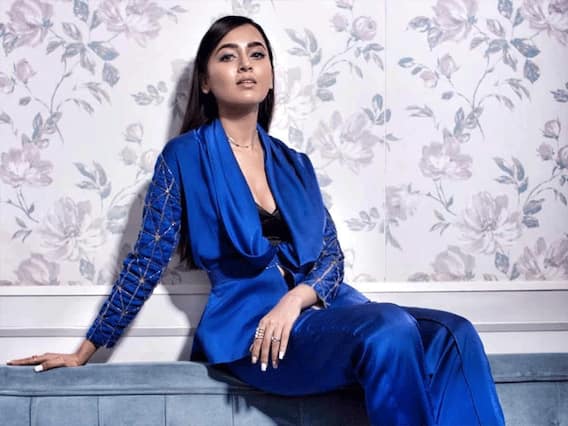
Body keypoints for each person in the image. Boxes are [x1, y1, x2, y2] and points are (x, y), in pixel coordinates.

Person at [8, 15, 505, 426]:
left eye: (257, 54)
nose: (245, 64)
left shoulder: (295, 164)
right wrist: (85, 350)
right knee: (389, 328)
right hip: (253, 333)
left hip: (320, 315)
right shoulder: (183, 157)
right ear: (206, 81)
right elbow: (147, 260)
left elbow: (331, 256)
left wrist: (295, 300)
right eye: (228, 56)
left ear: (269, 77)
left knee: (454, 333)